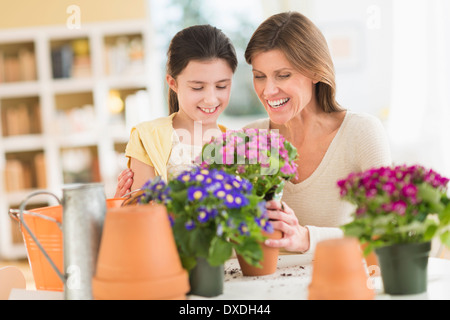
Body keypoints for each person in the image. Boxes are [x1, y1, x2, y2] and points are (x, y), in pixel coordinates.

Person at [116, 12, 392, 256]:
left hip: (335, 282)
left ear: (315, 72)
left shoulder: (361, 133)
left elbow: (389, 231)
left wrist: (306, 237)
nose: (268, 91)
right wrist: (124, 207)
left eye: (283, 75)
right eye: (260, 76)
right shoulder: (248, 139)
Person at [121, 24, 237, 193]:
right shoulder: (147, 138)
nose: (211, 99)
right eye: (197, 87)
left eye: (221, 86)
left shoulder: (240, 145)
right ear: (173, 83)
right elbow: (142, 214)